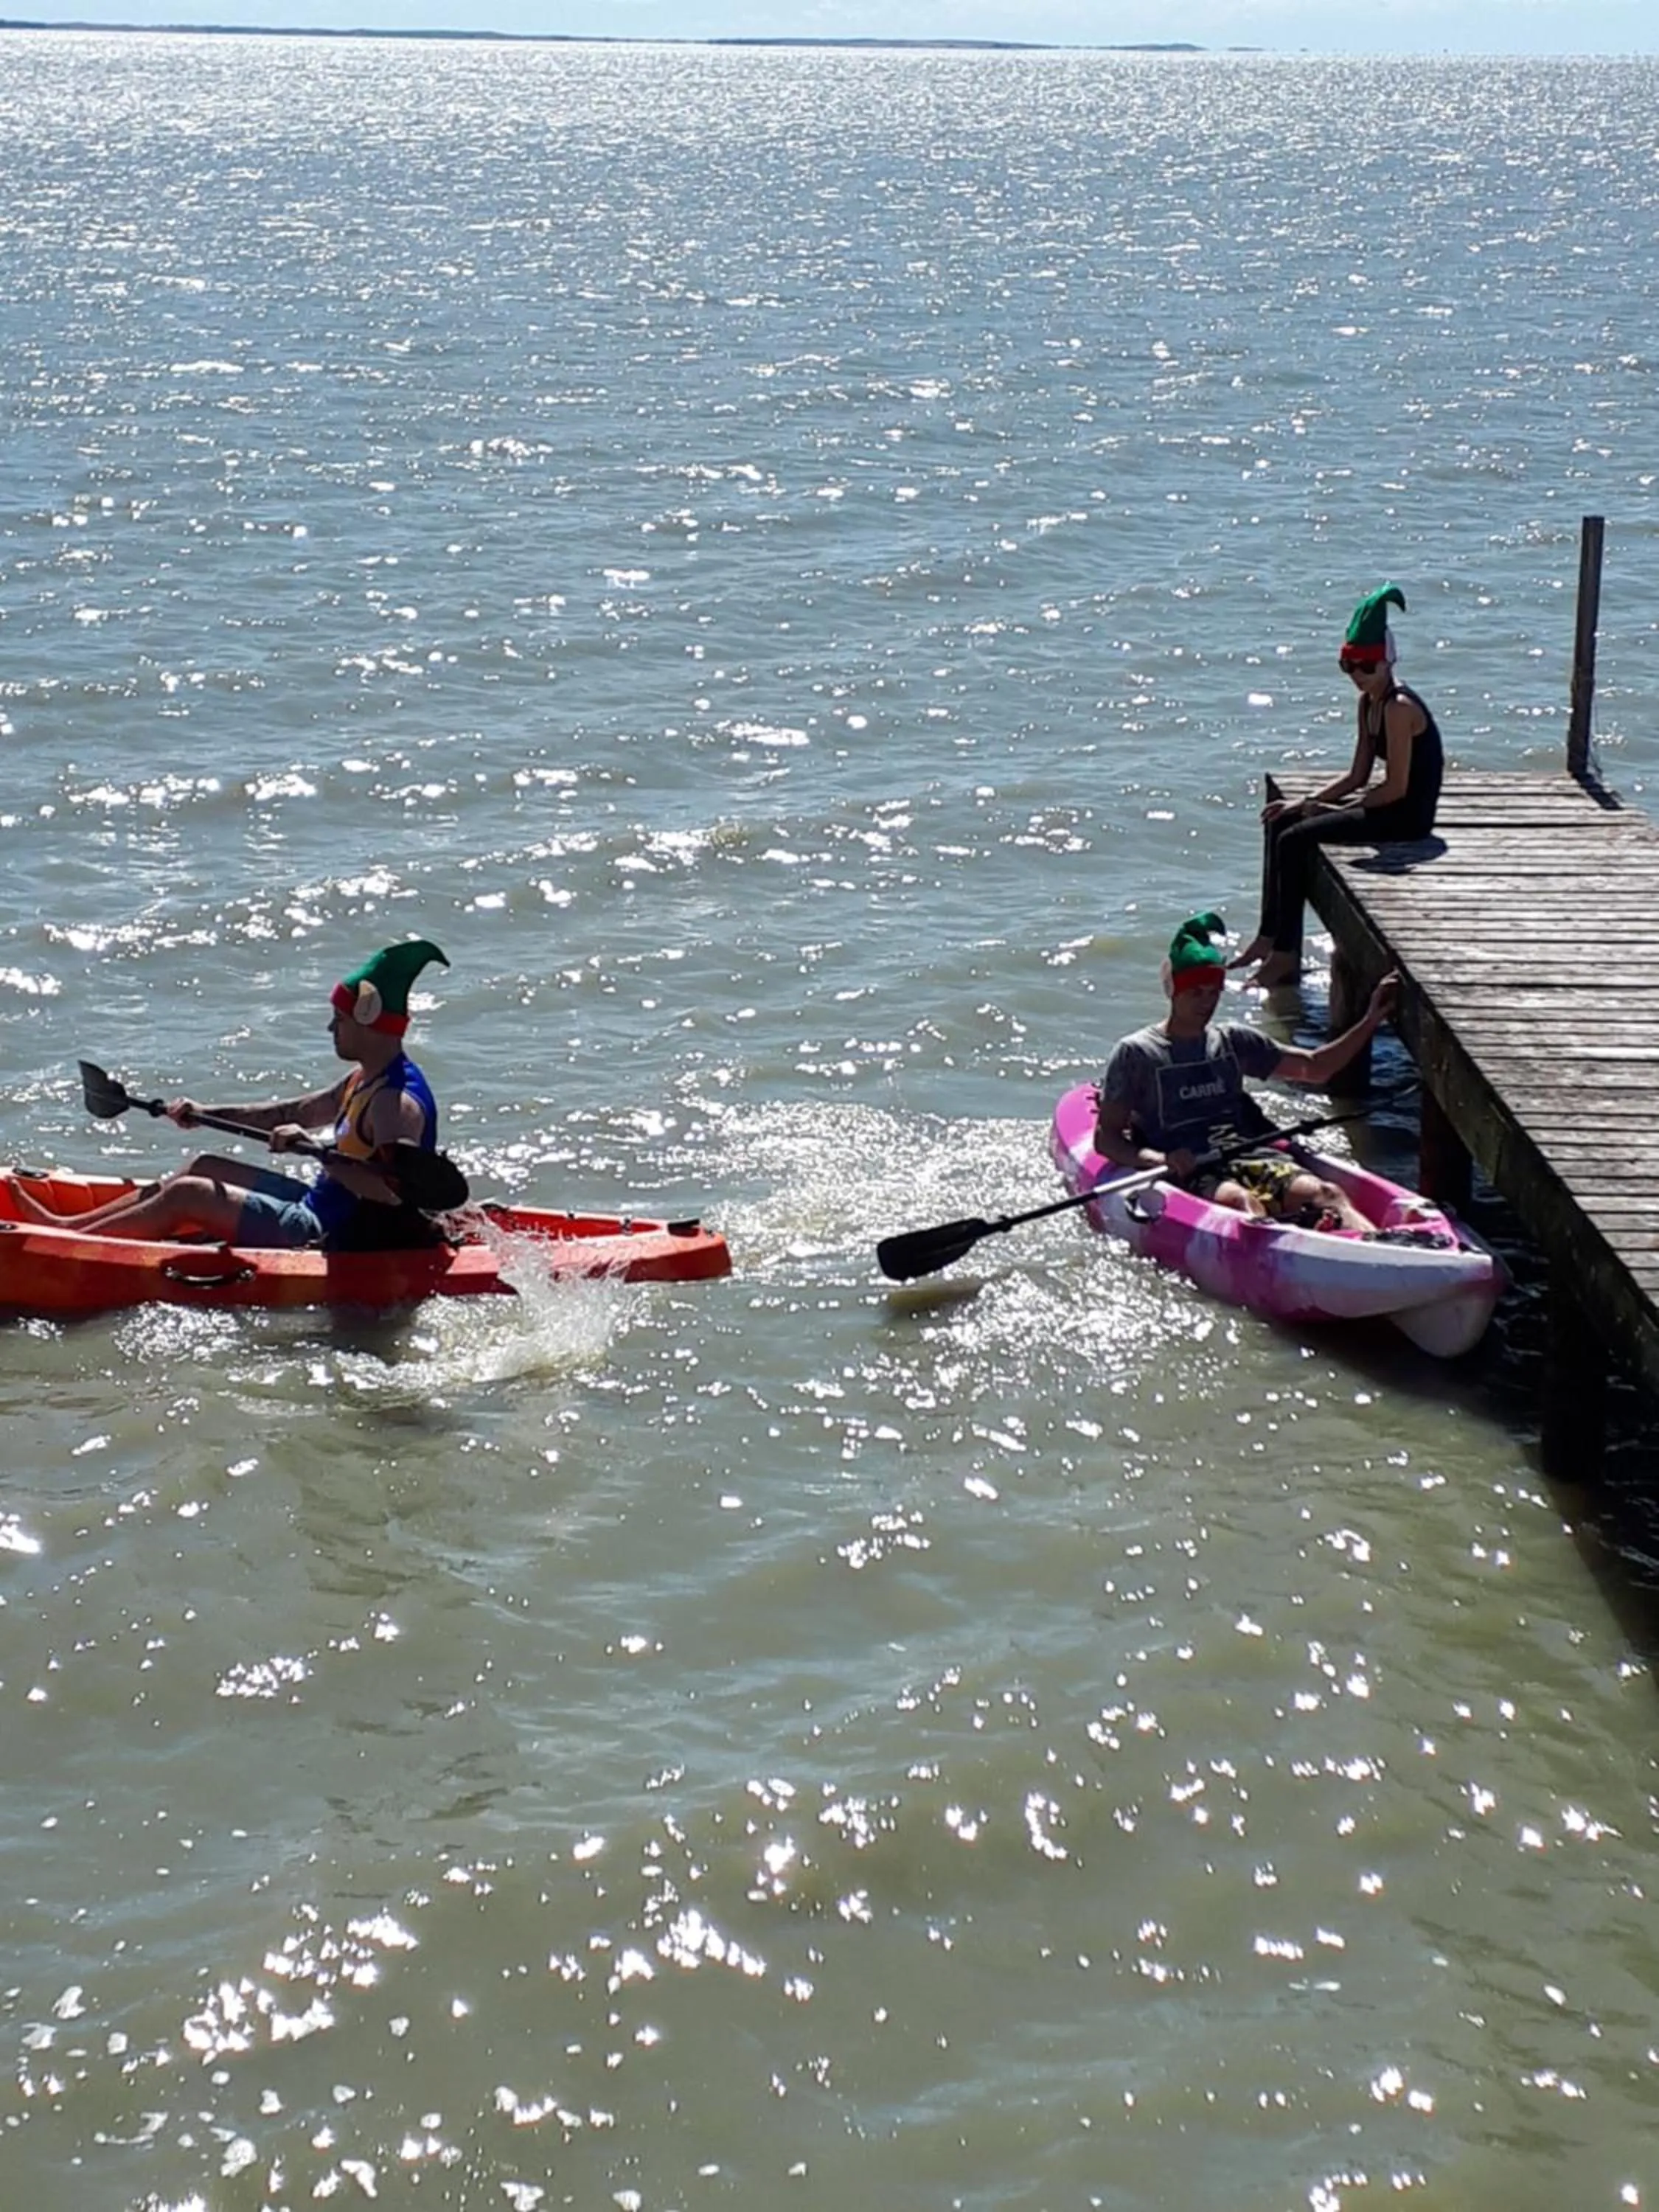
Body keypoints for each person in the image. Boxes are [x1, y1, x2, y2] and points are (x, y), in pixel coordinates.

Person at [6, 940, 449, 1250]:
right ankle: (68, 1227)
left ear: (370, 1022)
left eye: (340, 1019)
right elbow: (292, 1110)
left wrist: (315, 1151)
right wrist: (203, 1112)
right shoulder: (363, 1078)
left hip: (330, 1230)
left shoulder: (395, 1105)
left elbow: (392, 1195)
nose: (330, 1028)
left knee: (191, 1194)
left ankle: (70, 1243)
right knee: (203, 1166)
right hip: (318, 1201)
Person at [1093, 911, 1398, 1230]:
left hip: (1246, 1153)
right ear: (1173, 992)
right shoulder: (1137, 1053)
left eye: (1213, 992)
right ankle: (1293, 1244)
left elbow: (1315, 1068)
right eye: (1196, 993)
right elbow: (1107, 1138)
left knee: (1328, 1194)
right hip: (1191, 1168)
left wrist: (1371, 1020)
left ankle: (1381, 1251)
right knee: (1242, 1205)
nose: (1206, 1003)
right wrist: (1158, 1160)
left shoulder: (1233, 1040)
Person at [1232, 583, 1444, 988]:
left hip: (1408, 816)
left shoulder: (1399, 709)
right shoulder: (1368, 705)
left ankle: (1284, 957)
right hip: (1384, 804)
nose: (1358, 677)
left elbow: (1397, 787)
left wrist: (1336, 814)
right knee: (1282, 822)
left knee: (1293, 842)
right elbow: (1357, 775)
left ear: (1387, 663)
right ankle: (1268, 937)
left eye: (1366, 667)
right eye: (1349, 667)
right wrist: (1305, 801)